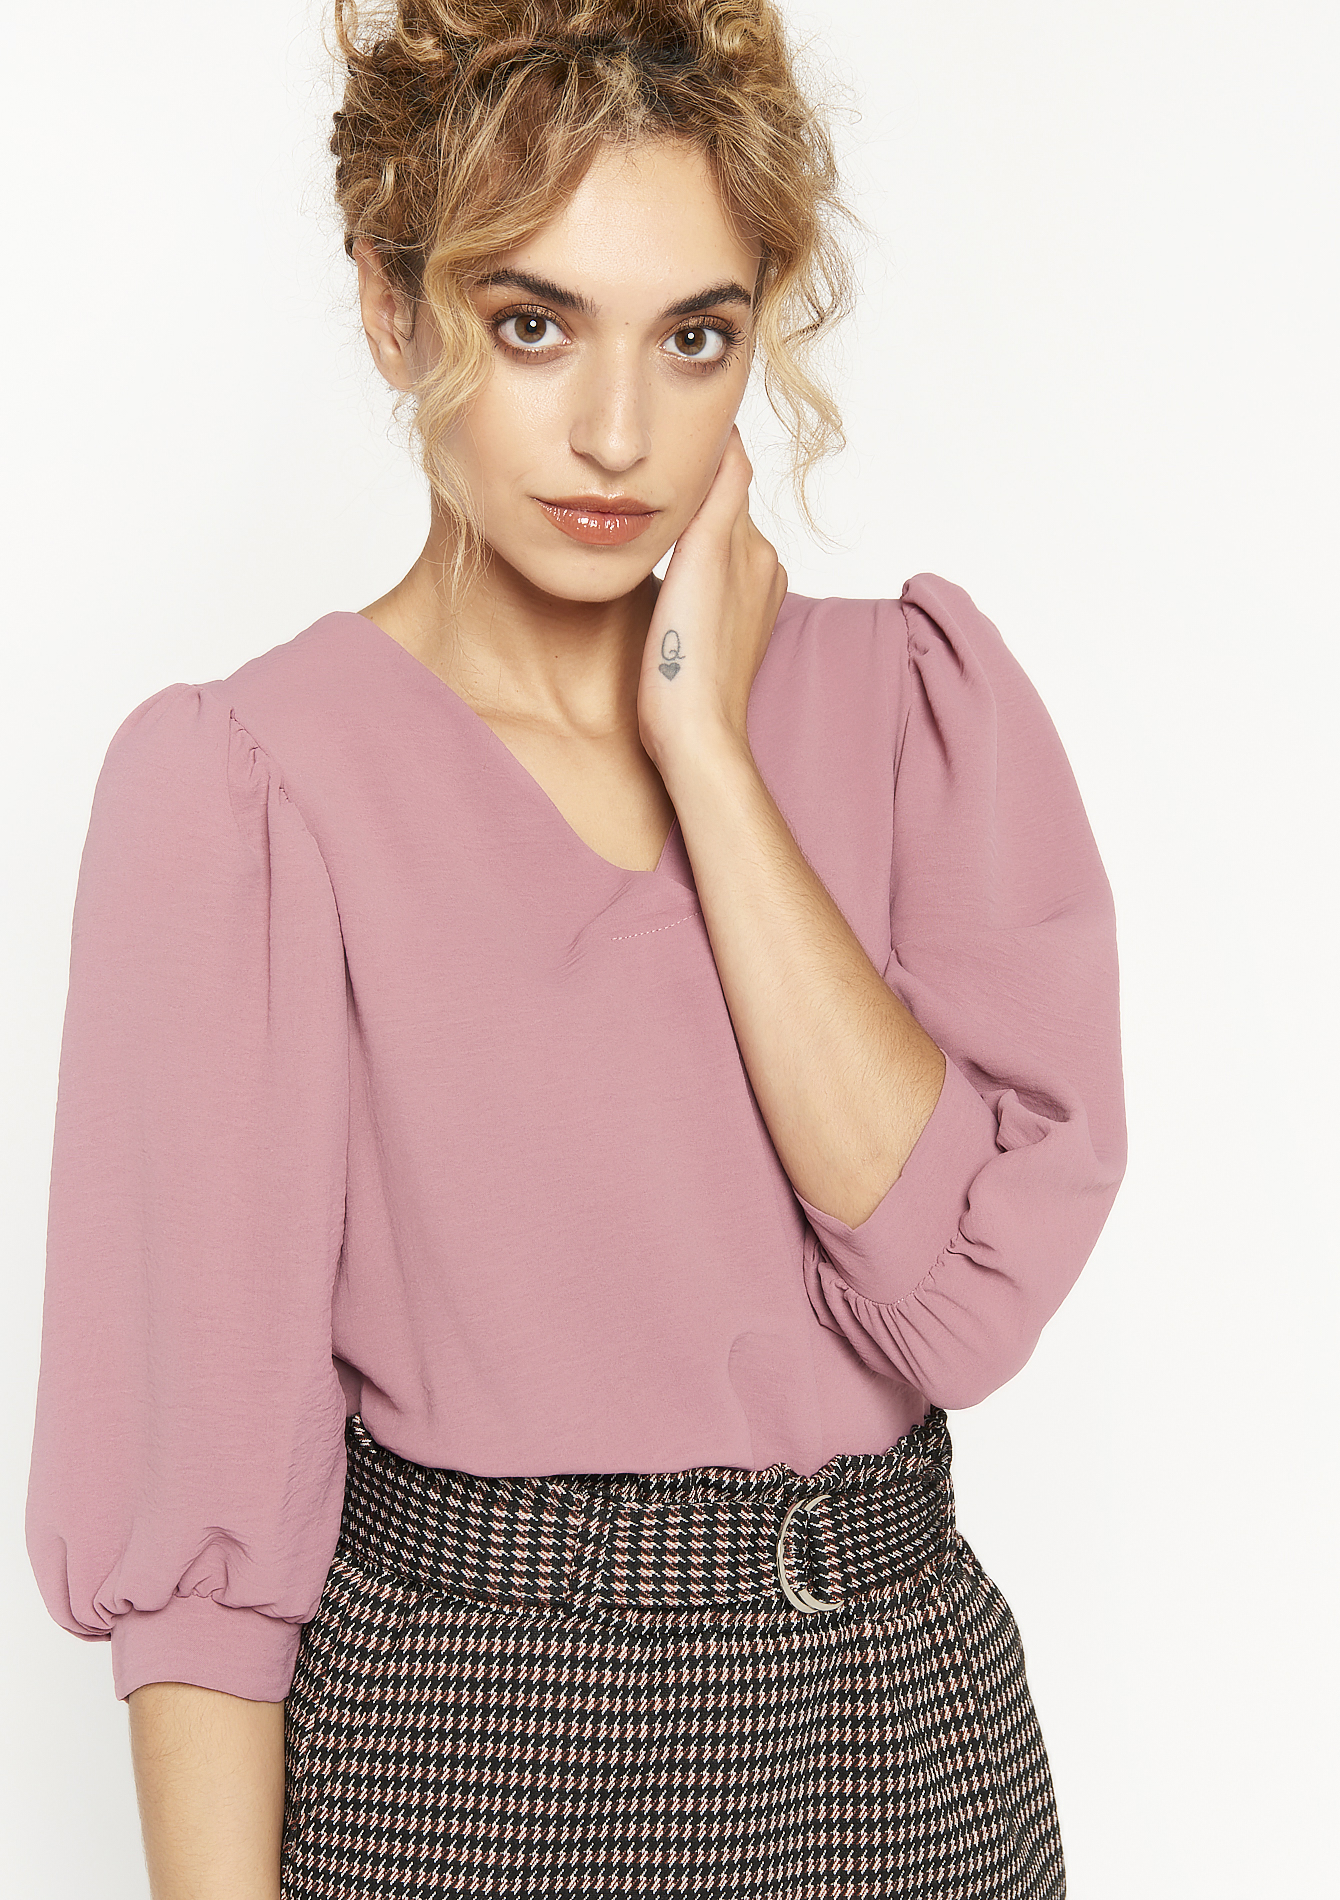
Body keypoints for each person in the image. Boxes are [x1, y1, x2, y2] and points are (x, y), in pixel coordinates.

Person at [24, 2, 1127, 1895]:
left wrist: (710, 753)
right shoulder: (249, 793)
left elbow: (961, 1307)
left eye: (693, 337)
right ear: (391, 306)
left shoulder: (908, 711)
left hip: (913, 1745)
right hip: (480, 1753)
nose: (618, 433)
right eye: (533, 323)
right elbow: (202, 1524)